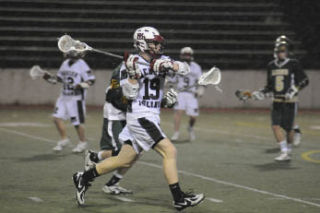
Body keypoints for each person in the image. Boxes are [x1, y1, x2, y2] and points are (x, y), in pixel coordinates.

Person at [72, 26, 204, 211]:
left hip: (151, 115)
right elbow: (129, 94)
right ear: (142, 43)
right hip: (140, 116)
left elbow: (185, 69)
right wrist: (134, 75)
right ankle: (179, 198)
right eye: (153, 43)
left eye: (157, 43)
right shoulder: (131, 63)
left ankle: (83, 177)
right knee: (170, 151)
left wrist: (169, 65)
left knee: (123, 159)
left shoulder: (161, 59)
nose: (157, 46)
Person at [251, 42, 308, 161]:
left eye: (283, 51)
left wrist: (294, 90)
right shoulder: (271, 65)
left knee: (289, 128)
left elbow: (304, 80)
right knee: (275, 126)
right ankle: (284, 151)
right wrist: (261, 92)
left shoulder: (293, 64)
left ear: (287, 52)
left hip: (290, 101)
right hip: (276, 100)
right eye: (279, 51)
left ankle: (289, 149)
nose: (281, 53)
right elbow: (270, 86)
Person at [43, 51, 95, 153]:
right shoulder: (65, 63)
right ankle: (64, 139)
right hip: (64, 96)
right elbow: (59, 79)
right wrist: (49, 78)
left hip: (76, 98)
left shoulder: (81, 64)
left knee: (77, 122)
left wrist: (80, 85)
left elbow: (91, 80)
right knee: (56, 118)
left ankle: (82, 142)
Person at [169, 47, 204, 141]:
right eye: (185, 54)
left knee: (193, 117)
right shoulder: (177, 66)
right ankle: (176, 133)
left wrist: (200, 89)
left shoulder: (196, 67)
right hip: (180, 92)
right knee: (178, 112)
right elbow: (172, 80)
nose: (186, 56)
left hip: (192, 94)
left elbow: (201, 81)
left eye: (188, 55)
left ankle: (190, 127)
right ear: (181, 55)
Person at [274, 35, 302, 146]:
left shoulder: (292, 61)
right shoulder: (278, 59)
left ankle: (296, 131)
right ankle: (292, 133)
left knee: (287, 118)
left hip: (290, 91)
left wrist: (293, 89)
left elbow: (300, 79)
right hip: (280, 91)